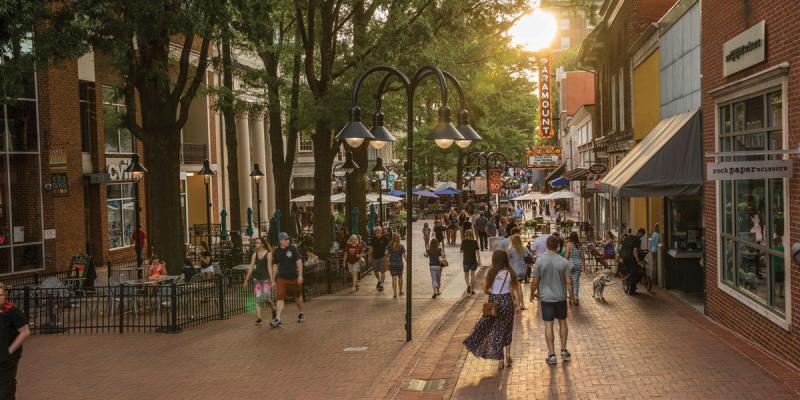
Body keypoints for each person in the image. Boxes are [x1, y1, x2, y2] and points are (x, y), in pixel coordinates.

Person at [463, 251, 522, 369]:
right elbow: (515, 290)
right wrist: (518, 305)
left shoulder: (490, 272)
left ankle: (500, 359)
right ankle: (508, 355)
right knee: (507, 328)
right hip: (507, 302)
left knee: (497, 331)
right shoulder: (510, 272)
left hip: (494, 302)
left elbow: (486, 289)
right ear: (505, 259)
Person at [530, 236, 573, 365]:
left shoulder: (540, 261)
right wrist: (571, 296)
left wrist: (532, 293)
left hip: (546, 298)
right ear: (558, 247)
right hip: (560, 297)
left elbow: (535, 280)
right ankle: (564, 350)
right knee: (563, 323)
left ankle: (551, 354)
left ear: (547, 246)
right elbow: (569, 282)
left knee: (548, 325)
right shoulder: (564, 262)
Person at [0, 283, 30, 399]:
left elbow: (25, 332)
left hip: (7, 359)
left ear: (5, 294)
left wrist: (10, 350)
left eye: (1, 295)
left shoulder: (12, 311)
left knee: (5, 392)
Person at [270, 232, 304, 327]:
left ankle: (301, 312)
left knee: (297, 298)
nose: (287, 241)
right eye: (285, 239)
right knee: (280, 297)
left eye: (288, 239)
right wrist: (273, 280)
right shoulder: (276, 251)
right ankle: (278, 318)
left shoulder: (292, 249)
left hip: (293, 278)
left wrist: (300, 275)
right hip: (282, 278)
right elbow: (275, 266)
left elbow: (299, 262)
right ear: (280, 241)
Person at [243, 237, 274, 326]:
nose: (255, 244)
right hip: (257, 279)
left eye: (257, 242)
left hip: (266, 279)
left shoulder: (268, 254)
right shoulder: (254, 254)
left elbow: (269, 267)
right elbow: (251, 267)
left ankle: (273, 310)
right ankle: (259, 318)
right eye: (255, 242)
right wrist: (246, 280)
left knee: (266, 299)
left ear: (262, 244)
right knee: (257, 298)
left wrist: (271, 280)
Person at [507, 234, 530, 310]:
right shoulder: (524, 248)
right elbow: (531, 256)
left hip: (515, 271)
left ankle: (518, 304)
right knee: (518, 287)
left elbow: (507, 261)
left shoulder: (511, 250)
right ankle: (521, 304)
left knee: (516, 288)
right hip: (523, 270)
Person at [620, 228, 645, 294]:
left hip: (624, 257)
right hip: (631, 258)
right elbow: (635, 252)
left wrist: (620, 257)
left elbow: (620, 248)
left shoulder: (626, 238)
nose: (642, 236)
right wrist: (638, 261)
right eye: (642, 235)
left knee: (630, 271)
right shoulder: (637, 240)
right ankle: (631, 288)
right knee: (635, 272)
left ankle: (628, 283)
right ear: (640, 233)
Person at [564, 232, 584, 306]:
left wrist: (564, 261)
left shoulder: (569, 244)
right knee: (576, 281)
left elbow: (566, 255)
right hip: (578, 263)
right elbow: (582, 256)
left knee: (570, 281)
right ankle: (576, 296)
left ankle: (571, 297)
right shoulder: (579, 245)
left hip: (571, 264)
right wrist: (584, 266)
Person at [460, 229, 482, 295]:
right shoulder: (475, 242)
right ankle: (472, 290)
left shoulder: (463, 241)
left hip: (466, 261)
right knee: (472, 275)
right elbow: (478, 252)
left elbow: (461, 251)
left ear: (465, 234)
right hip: (473, 260)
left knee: (466, 276)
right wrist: (479, 261)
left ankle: (468, 284)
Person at [369, 226, 390, 291]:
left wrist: (387, 252)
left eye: (379, 230)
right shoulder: (373, 239)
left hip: (382, 257)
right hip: (375, 257)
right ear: (375, 231)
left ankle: (382, 285)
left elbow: (389, 247)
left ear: (381, 231)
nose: (378, 231)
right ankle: (379, 280)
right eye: (377, 230)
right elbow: (371, 248)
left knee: (382, 271)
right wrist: (370, 257)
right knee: (375, 272)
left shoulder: (385, 238)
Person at [387, 233, 406, 298]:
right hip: (400, 264)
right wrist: (408, 263)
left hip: (392, 263)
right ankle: (400, 291)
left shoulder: (389, 246)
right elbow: (404, 256)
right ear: (399, 239)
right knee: (400, 277)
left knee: (394, 278)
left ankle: (395, 293)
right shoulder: (401, 246)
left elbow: (386, 254)